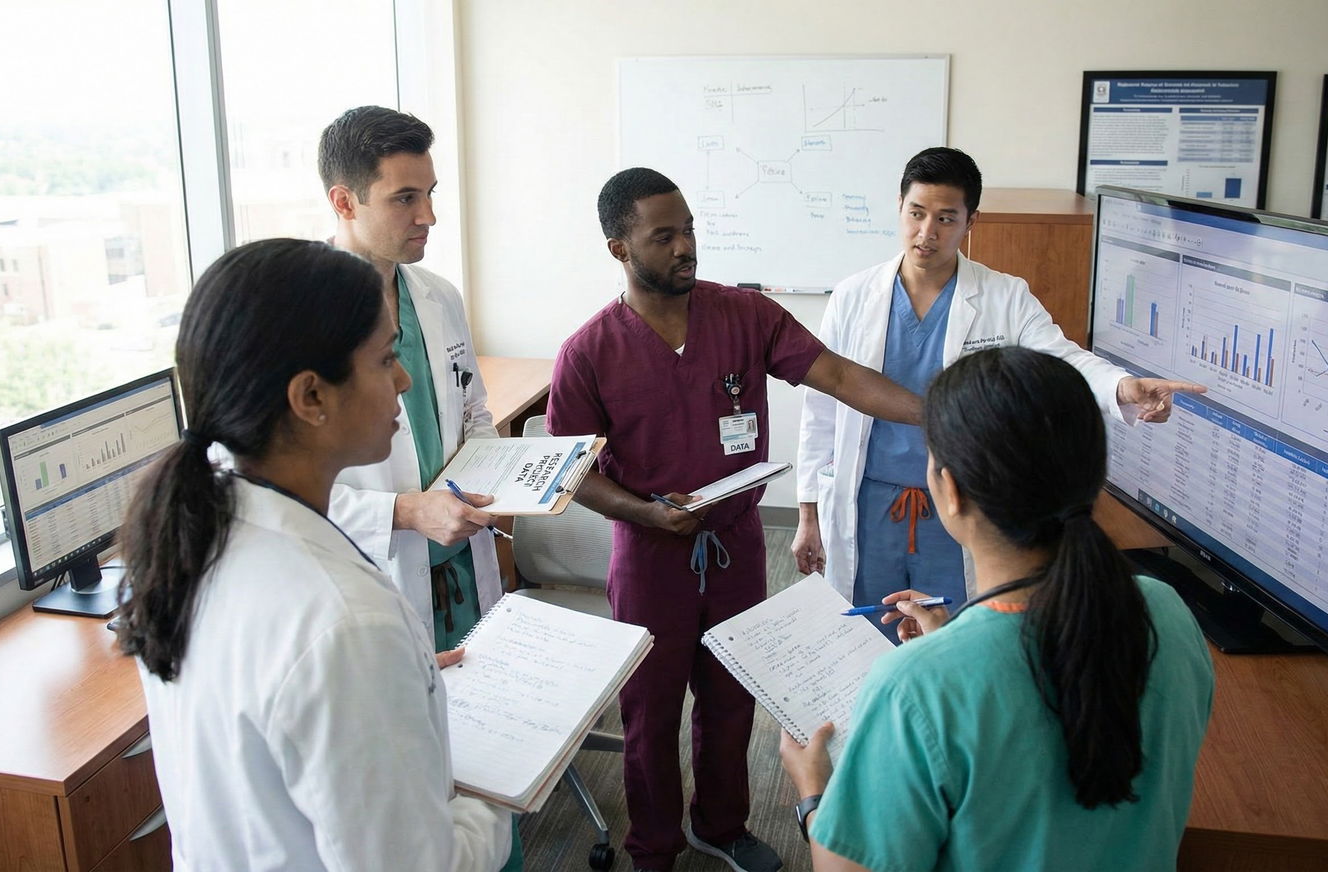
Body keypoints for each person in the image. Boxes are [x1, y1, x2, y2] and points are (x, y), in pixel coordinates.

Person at [547, 167, 924, 872]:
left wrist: (937, 415)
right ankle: (653, 846)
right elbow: (569, 472)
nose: (686, 247)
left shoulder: (744, 316)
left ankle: (720, 825)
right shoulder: (590, 352)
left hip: (736, 545)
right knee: (650, 711)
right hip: (650, 556)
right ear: (619, 250)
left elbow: (839, 376)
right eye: (664, 236)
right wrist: (644, 512)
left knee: (731, 697)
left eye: (689, 229)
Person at [116, 238, 511, 870]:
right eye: (386, 360)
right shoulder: (344, 623)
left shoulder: (197, 539)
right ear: (311, 398)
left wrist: (393, 689)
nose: (405, 381)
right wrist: (495, 781)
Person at [778, 346, 1215, 872]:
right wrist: (955, 647)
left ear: (950, 491)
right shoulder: (1166, 613)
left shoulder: (915, 687)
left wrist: (813, 791)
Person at [794, 147, 1205, 640]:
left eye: (946, 218)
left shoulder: (1004, 296)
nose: (927, 233)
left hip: (959, 505)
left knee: (957, 636)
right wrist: (808, 512)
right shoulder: (853, 296)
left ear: (971, 221)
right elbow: (821, 408)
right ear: (899, 206)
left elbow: (1061, 358)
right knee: (865, 632)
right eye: (916, 214)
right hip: (866, 503)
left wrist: (1122, 386)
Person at [320, 106, 501, 652]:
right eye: (405, 199)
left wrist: (502, 476)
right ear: (344, 202)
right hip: (377, 576)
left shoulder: (438, 296)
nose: (429, 216)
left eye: (430, 194)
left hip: (463, 564)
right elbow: (263, 490)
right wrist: (404, 511)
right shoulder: (295, 320)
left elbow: (473, 410)